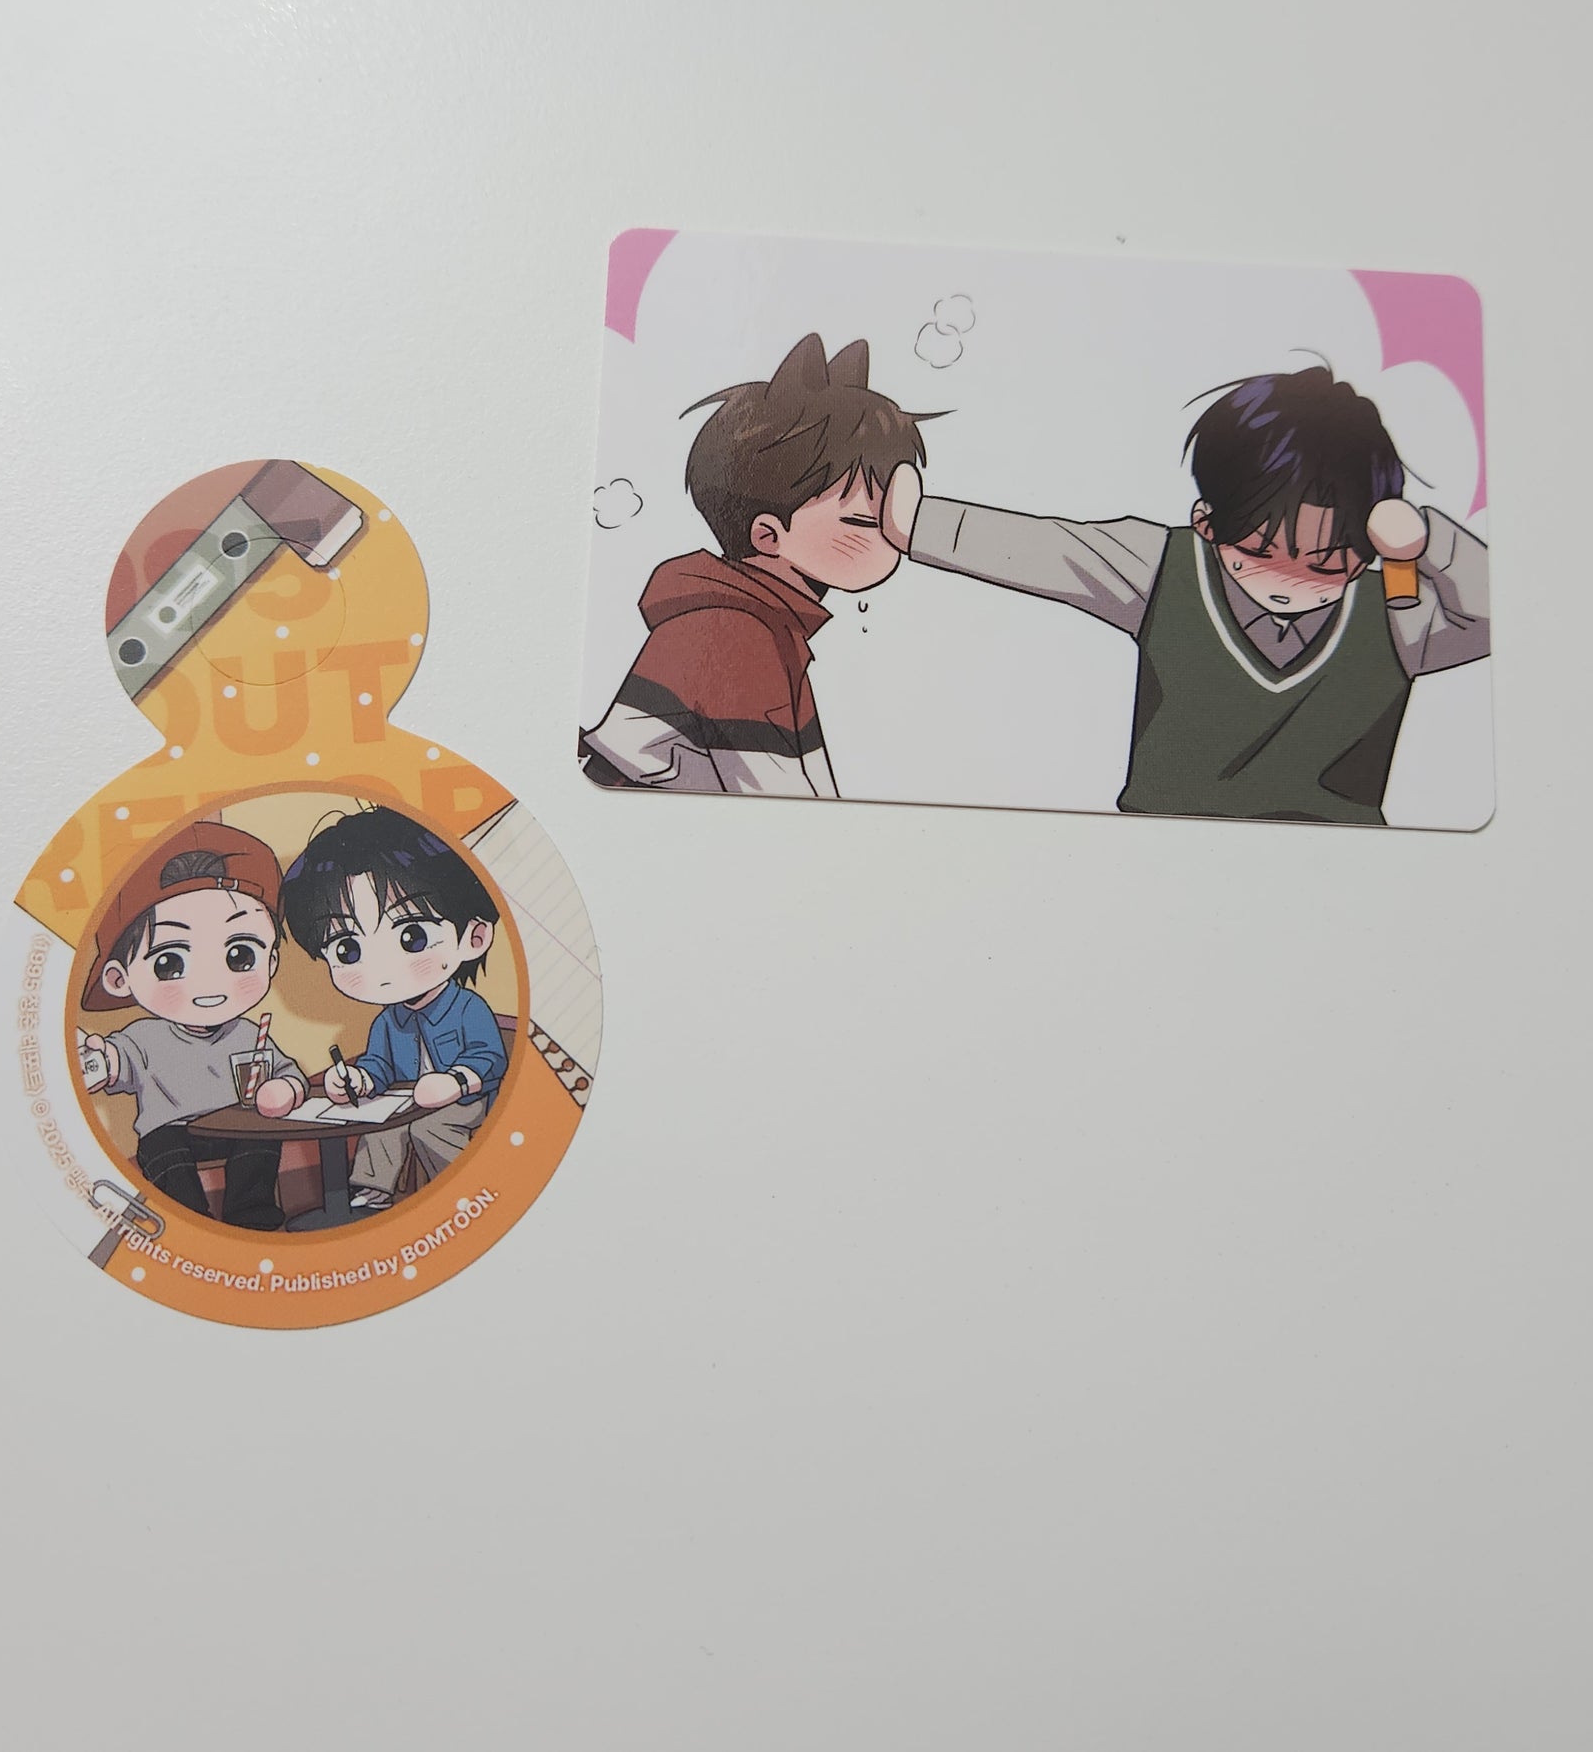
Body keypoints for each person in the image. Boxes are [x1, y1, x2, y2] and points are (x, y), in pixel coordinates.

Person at [880, 365, 1490, 825]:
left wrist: (1429, 539)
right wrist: (922, 525)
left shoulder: (1398, 614)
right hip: (1160, 849)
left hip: (1341, 867)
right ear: (1206, 523)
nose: (1289, 583)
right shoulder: (1164, 568)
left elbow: (1495, 616)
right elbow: (1054, 549)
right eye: (1257, 553)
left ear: (1370, 548)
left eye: (1327, 565)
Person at [581, 332, 942, 798]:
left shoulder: (762, 623)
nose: (893, 533)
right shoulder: (736, 634)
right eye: (862, 521)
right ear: (768, 536)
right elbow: (784, 804)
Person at [283, 806, 508, 1212]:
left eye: (412, 937)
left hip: (466, 1102)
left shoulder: (467, 1007)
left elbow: (489, 1057)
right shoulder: (388, 1020)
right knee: (379, 1127)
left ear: (473, 937)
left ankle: (459, 1187)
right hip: (405, 1102)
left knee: (429, 1128)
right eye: (347, 949)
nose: (380, 968)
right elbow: (379, 1064)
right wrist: (359, 1080)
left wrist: (456, 1081)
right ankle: (372, 1191)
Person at [79, 823, 303, 1230]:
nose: (210, 983)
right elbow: (114, 1060)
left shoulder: (249, 1035)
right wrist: (97, 1062)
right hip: (173, 1133)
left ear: (270, 961)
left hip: (236, 1128)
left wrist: (285, 1088)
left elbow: (289, 1073)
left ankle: (253, 1221)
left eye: (239, 955)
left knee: (262, 1137)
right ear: (119, 979)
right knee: (163, 1148)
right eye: (170, 963)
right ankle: (190, 1226)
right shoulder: (143, 1037)